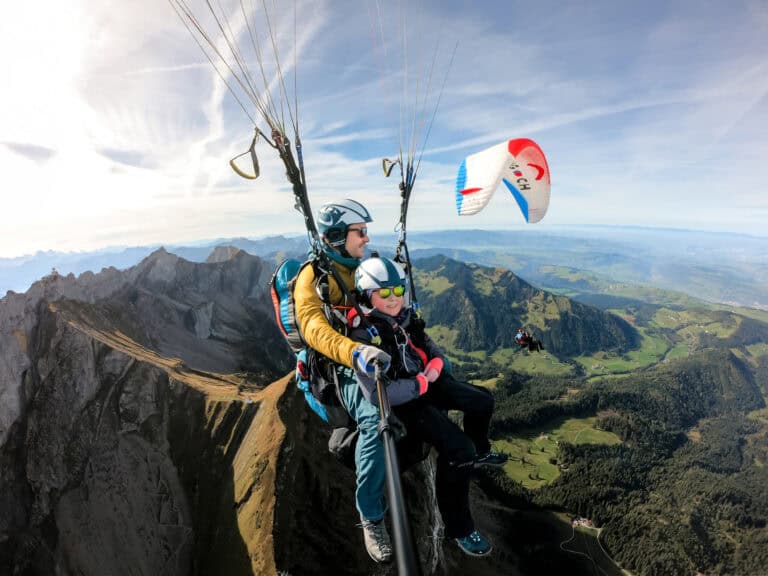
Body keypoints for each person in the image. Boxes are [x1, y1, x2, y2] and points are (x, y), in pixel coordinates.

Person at [349, 256, 508, 557]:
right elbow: (376, 394)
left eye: (397, 290)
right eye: (383, 293)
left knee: (482, 400)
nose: (393, 298)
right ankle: (460, 528)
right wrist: (419, 385)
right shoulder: (363, 337)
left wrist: (434, 364)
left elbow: (427, 342)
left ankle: (481, 450)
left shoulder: (405, 317)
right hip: (408, 400)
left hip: (426, 379)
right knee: (459, 450)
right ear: (366, 297)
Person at [293, 199, 394, 563]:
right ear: (337, 237)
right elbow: (313, 329)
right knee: (373, 417)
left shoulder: (360, 266)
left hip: (368, 349)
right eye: (360, 233)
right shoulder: (312, 279)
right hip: (337, 366)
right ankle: (370, 515)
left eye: (366, 232)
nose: (367, 238)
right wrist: (353, 352)